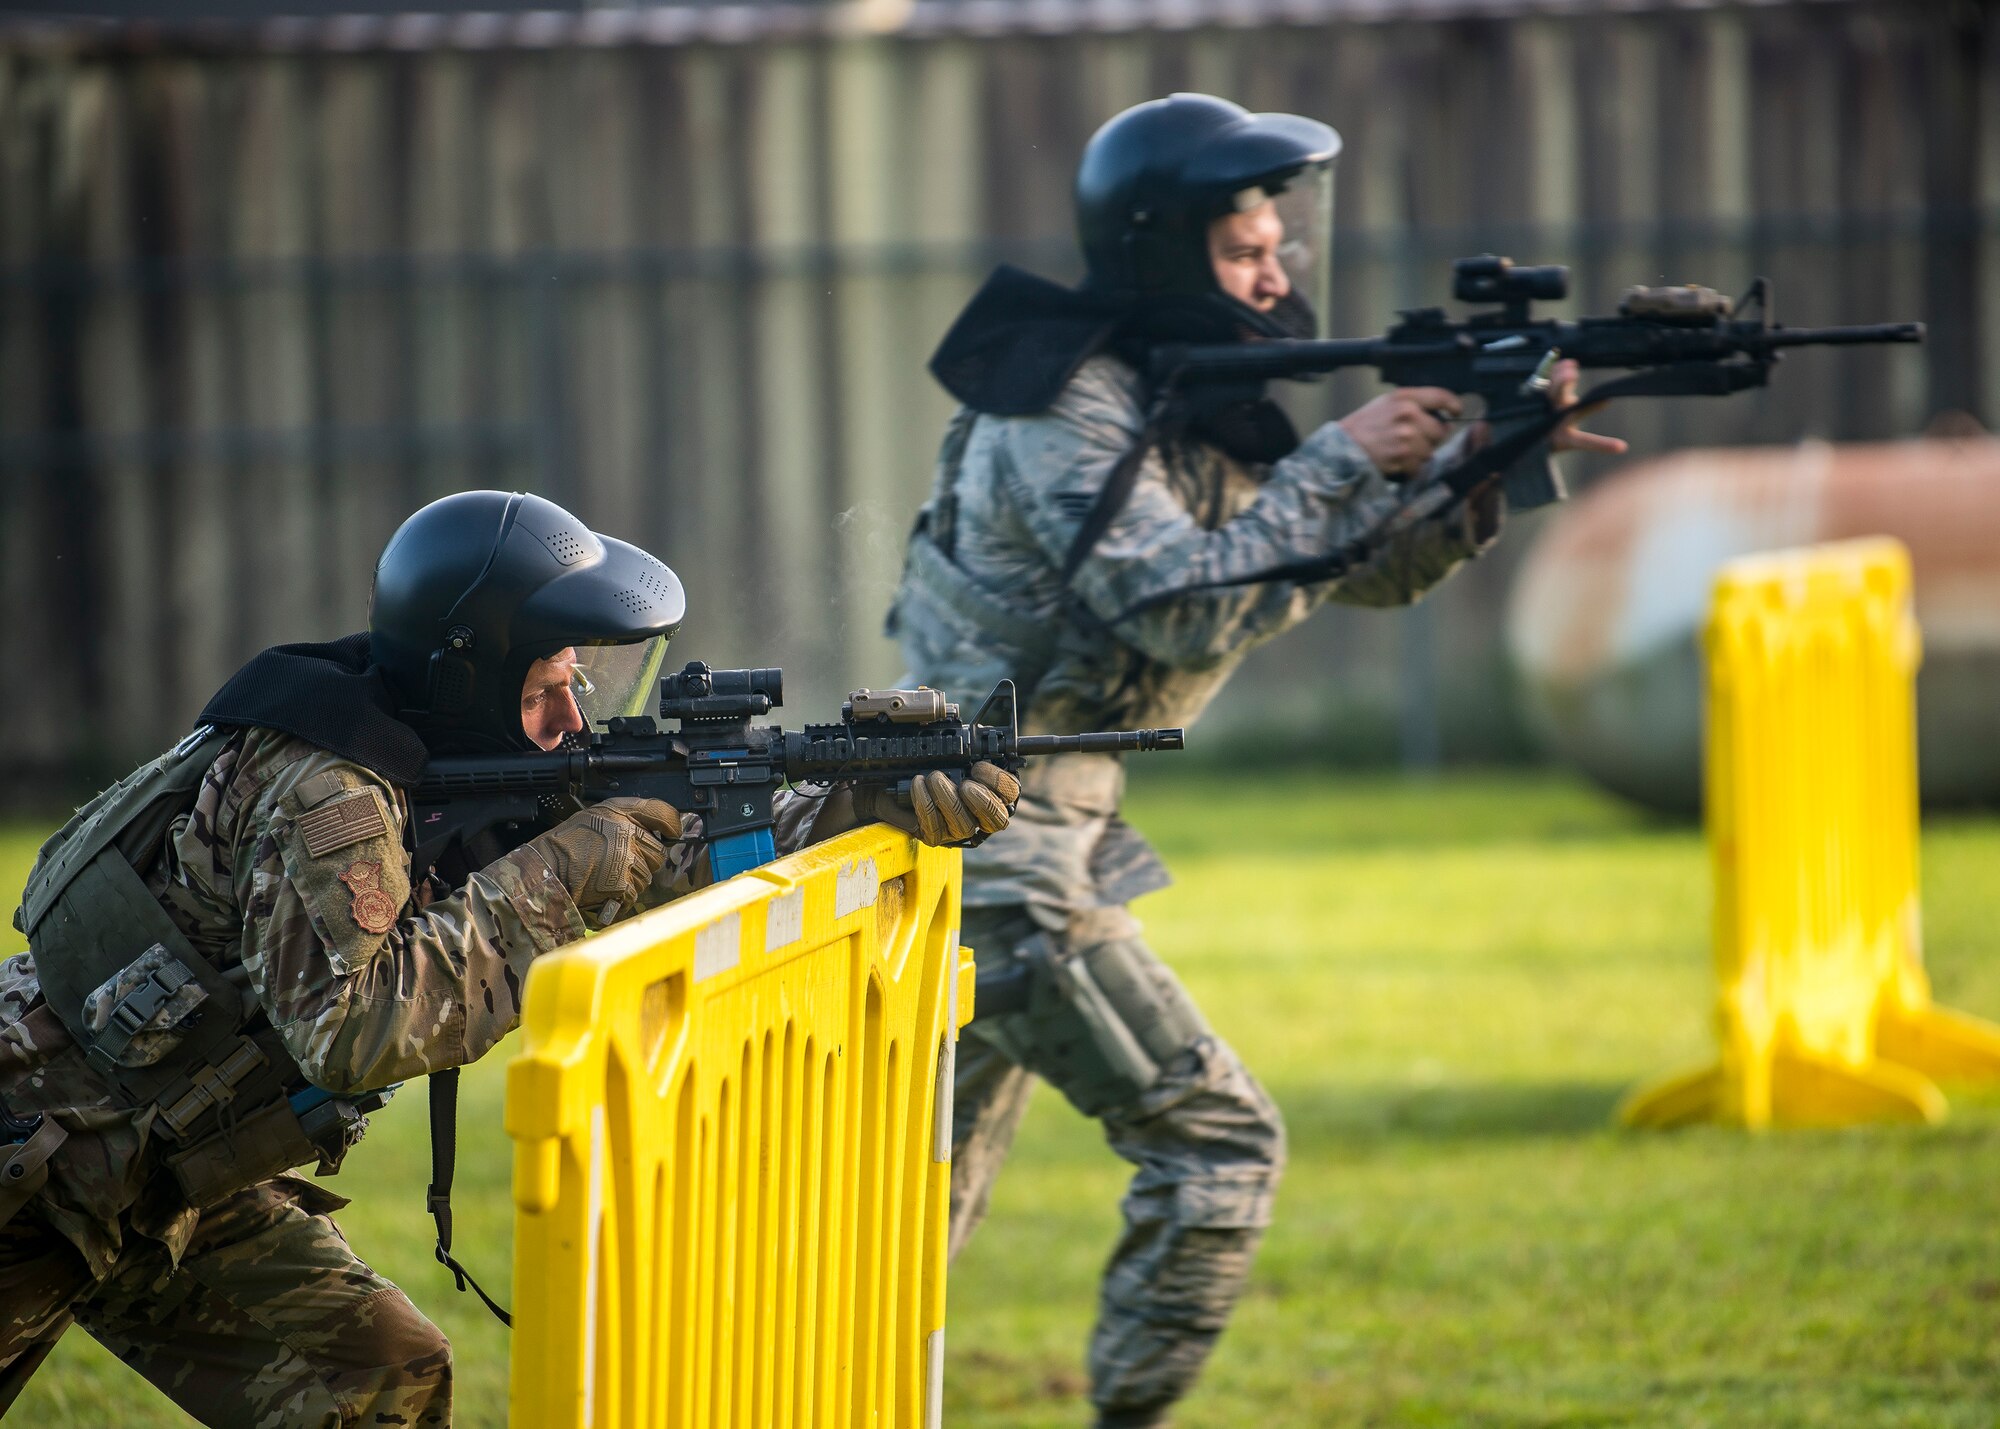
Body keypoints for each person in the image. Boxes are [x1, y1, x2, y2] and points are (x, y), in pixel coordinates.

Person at [887, 94, 1624, 1428]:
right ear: (1164, 253)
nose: (1278, 275)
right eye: (1243, 253)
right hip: (985, 846)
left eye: (1280, 243)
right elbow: (1172, 600)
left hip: (997, 845)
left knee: (904, 1225)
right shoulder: (1071, 402)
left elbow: (1335, 570)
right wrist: (1345, 455)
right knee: (1217, 1146)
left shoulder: (1172, 401)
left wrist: (1489, 462)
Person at [0, 489, 1014, 1426]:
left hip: (165, 1173)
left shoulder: (453, 752)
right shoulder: (331, 790)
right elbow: (350, 1029)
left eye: (577, 683)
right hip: (38, 1159)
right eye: (545, 690)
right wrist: (567, 873)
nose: (573, 720)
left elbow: (663, 853)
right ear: (467, 676)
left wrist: (855, 801)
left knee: (378, 1377)